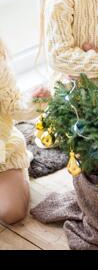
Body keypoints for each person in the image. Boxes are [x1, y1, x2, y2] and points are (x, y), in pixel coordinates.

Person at [0, 39, 49, 224]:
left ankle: (20, 174)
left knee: (11, 213)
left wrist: (35, 102)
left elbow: (14, 106)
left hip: (3, 150)